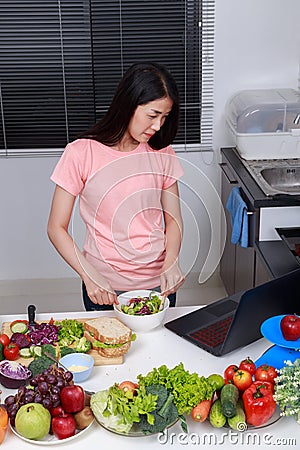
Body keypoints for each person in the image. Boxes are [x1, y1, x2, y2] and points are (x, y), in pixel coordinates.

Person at [47, 62, 185, 311]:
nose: (158, 126)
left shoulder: (163, 151)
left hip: (158, 285)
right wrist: (89, 275)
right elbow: (56, 227)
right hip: (103, 286)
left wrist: (172, 262)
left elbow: (173, 219)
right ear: (128, 105)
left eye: (164, 117)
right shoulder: (81, 152)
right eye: (152, 115)